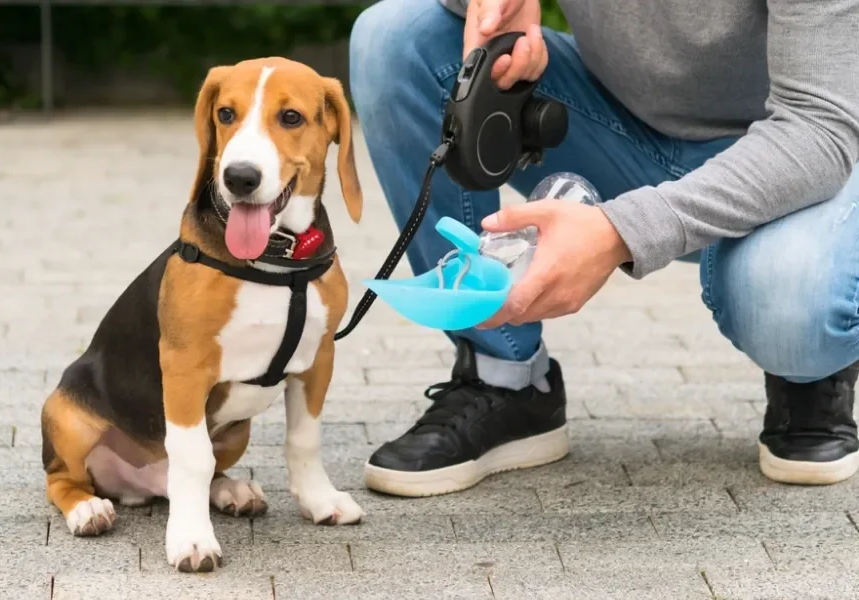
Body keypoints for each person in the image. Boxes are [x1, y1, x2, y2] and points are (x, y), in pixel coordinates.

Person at [348, 0, 859, 497]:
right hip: (621, 129)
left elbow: (818, 127)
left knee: (795, 303)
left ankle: (811, 371)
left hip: (802, 155)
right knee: (395, 37)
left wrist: (622, 231)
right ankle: (506, 379)